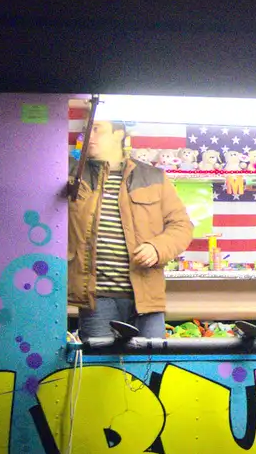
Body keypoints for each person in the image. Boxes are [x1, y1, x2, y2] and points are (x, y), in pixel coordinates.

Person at [67, 119, 194, 341]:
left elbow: (182, 225)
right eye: (86, 130)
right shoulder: (72, 176)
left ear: (119, 133)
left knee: (149, 368)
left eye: (97, 129)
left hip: (146, 299)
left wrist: (157, 248)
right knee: (101, 372)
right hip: (96, 300)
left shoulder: (154, 177)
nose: (89, 136)